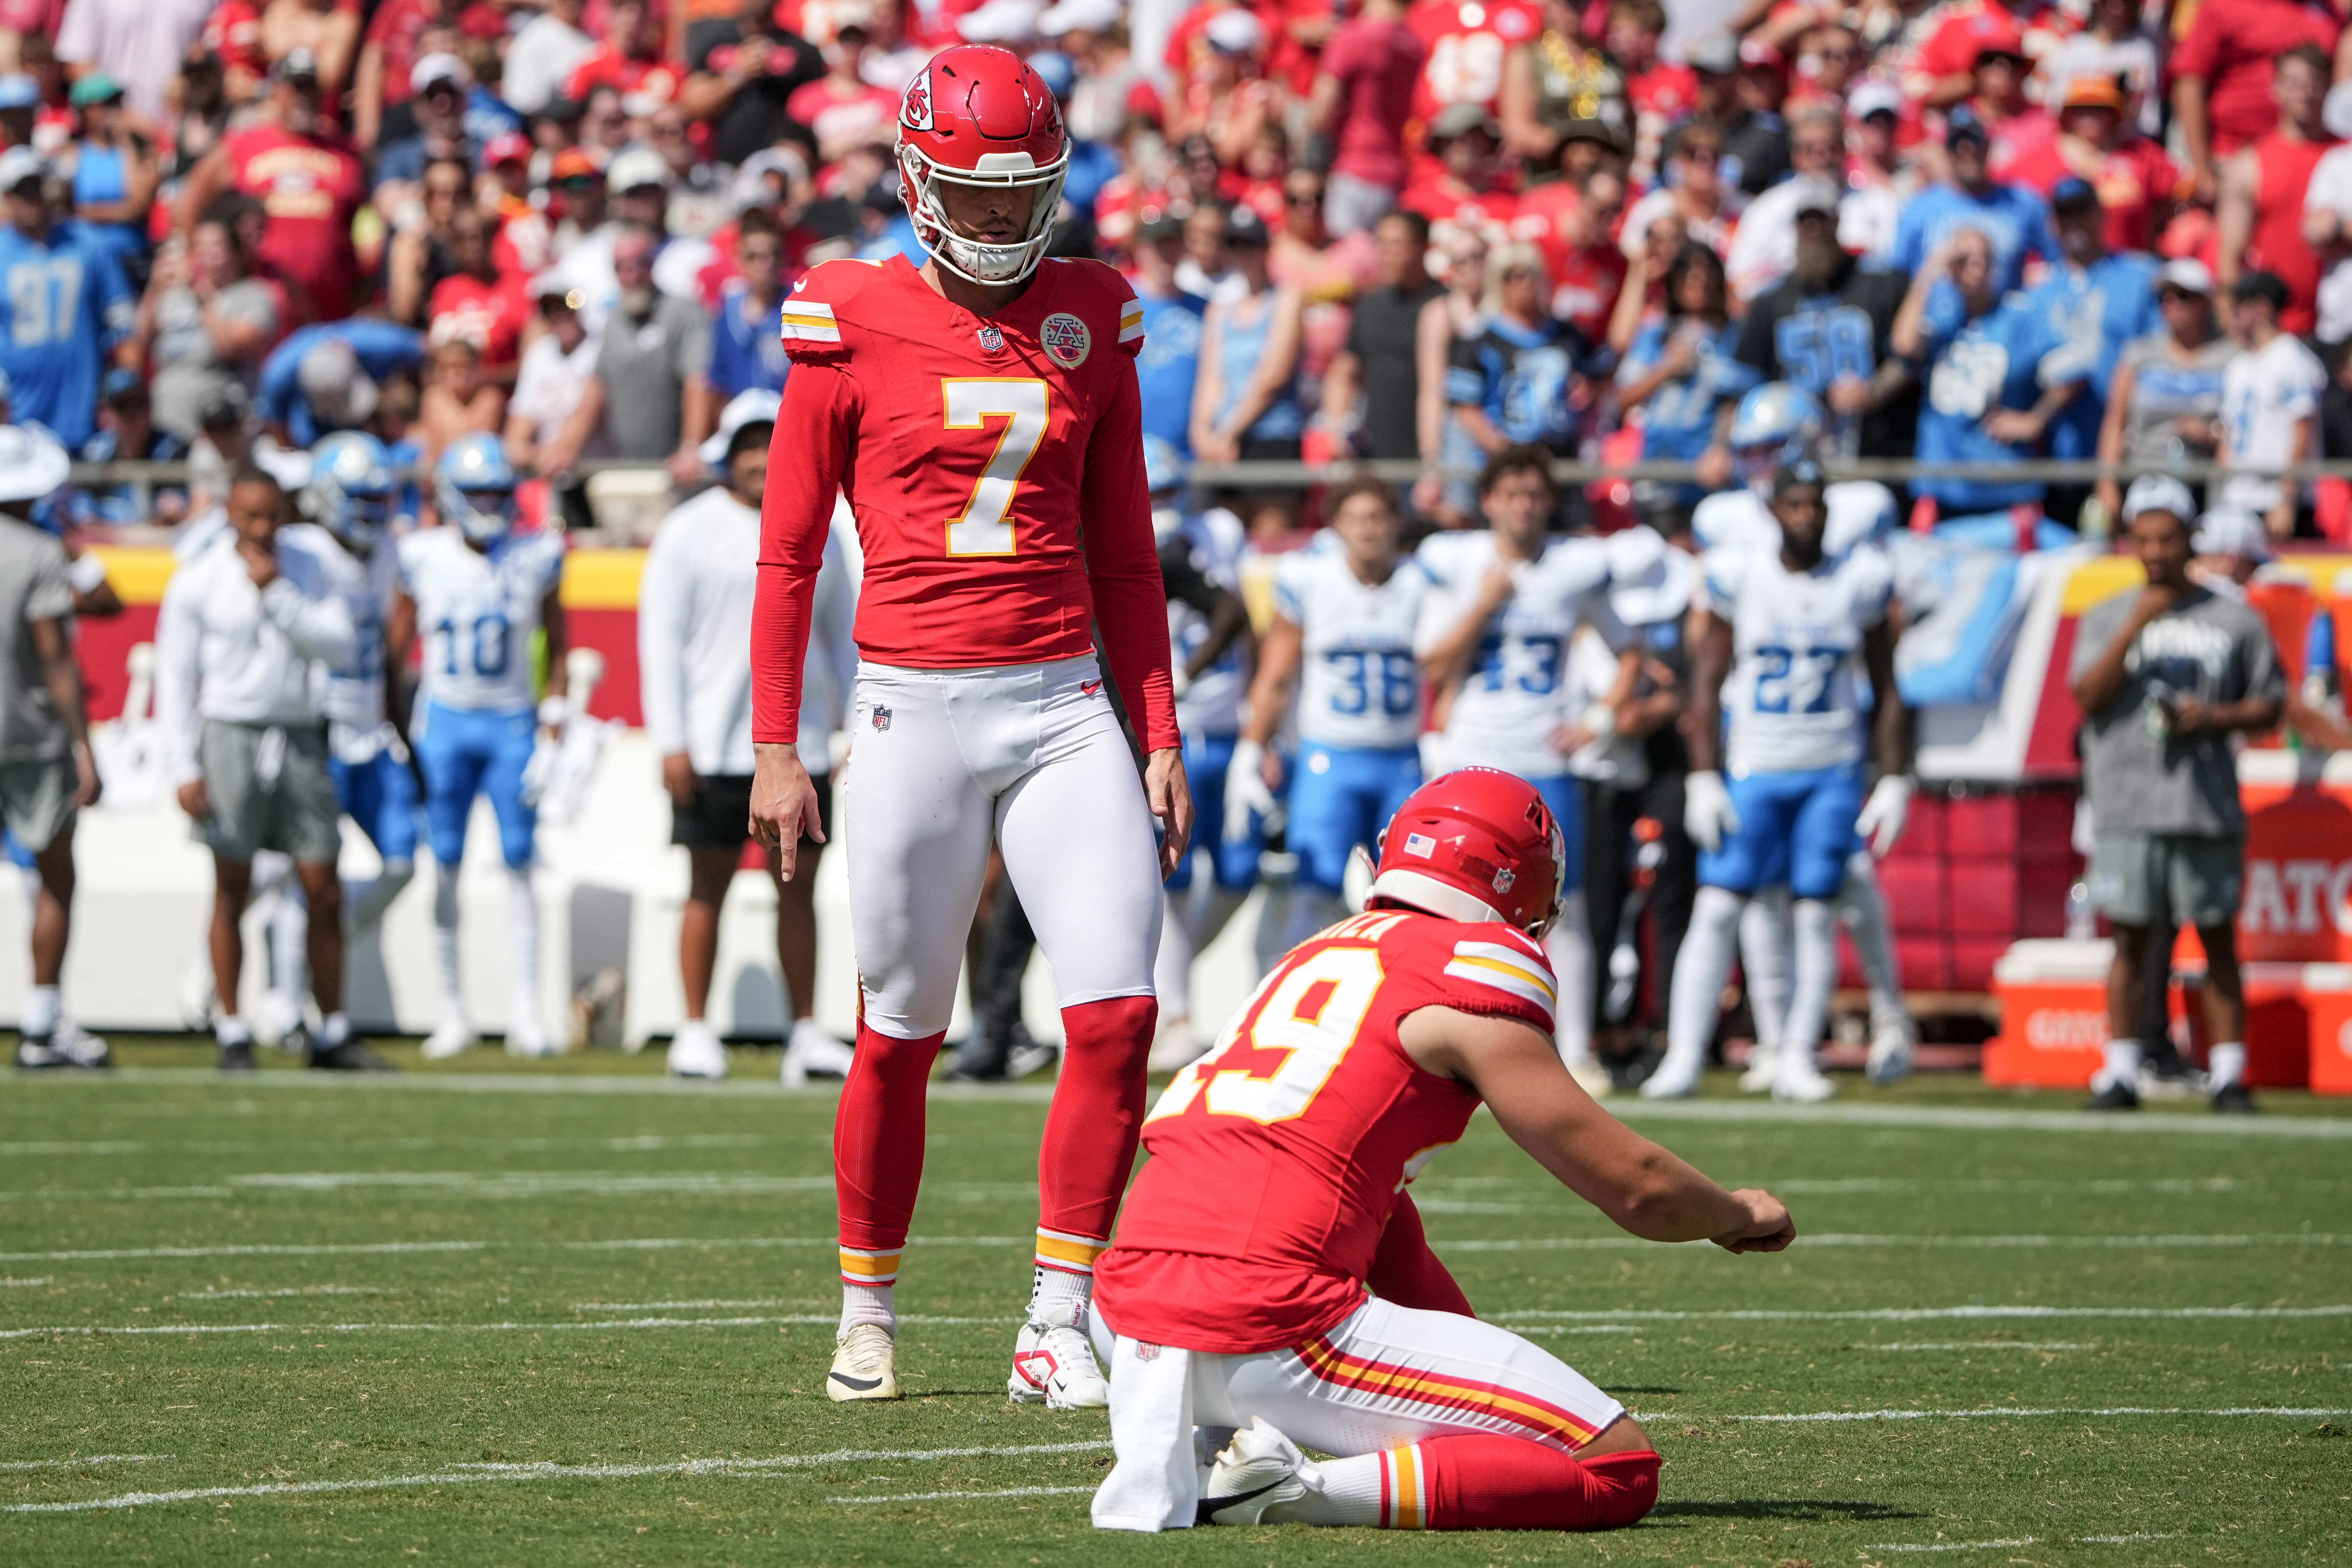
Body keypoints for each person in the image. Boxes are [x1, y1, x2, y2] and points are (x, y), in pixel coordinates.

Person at [746, 47, 1188, 1411]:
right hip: (908, 705)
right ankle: (866, 1300)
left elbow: (1123, 549)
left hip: (1061, 706)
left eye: (1021, 200)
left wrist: (1156, 720)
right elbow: (787, 550)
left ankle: (1056, 1315)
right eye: (974, 200)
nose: (1001, 224)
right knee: (899, 1026)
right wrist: (777, 739)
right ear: (916, 180)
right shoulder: (846, 308)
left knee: (1117, 1011)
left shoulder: (1094, 309)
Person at [1089, 768, 1795, 1534]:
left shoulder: (1311, 957)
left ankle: (1237, 1454)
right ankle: (1291, 1491)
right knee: (1615, 1468)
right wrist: (1734, 1210)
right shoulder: (1470, 969)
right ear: (1523, 882)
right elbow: (1637, 1187)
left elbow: (1388, 1224)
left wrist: (1471, 1358)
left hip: (1127, 1320)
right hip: (1266, 1320)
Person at [1644, 460, 1913, 1102]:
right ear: (1772, 511)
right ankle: (1681, 1053)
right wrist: (1704, 775)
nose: (1805, 516)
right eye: (1792, 505)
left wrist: (1894, 777)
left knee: (1815, 916)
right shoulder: (1744, 576)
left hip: (1828, 770)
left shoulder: (1860, 578)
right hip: (1755, 767)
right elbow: (1706, 682)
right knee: (1716, 908)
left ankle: (1795, 1053)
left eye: (1814, 504)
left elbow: (1887, 684)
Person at [639, 390, 857, 1085]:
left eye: (773, 443)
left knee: (800, 887)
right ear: (727, 458)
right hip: (712, 746)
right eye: (748, 447)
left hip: (802, 747)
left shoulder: (824, 525)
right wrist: (671, 740)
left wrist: (851, 727)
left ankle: (804, 1031)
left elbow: (845, 635)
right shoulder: (688, 529)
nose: (762, 459)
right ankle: (696, 1028)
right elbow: (661, 642)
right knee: (706, 884)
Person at [156, 466, 387, 1073]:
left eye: (272, 515)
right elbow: (176, 679)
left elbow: (338, 646)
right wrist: (182, 763)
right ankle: (233, 1027)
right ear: (229, 512)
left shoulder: (311, 567)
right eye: (251, 515)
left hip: (301, 730)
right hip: (230, 732)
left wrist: (279, 593)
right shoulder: (199, 579)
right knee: (231, 883)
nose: (262, 528)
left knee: (322, 884)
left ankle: (331, 1028)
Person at [1415, 444, 1631, 1092]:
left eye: (1534, 494)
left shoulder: (1575, 568)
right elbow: (1432, 662)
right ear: (1488, 502)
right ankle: (1451, 1047)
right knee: (1452, 906)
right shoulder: (1456, 563)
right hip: (1472, 759)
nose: (1523, 505)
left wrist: (1602, 719)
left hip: (1546, 763)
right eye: (1511, 493)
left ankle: (1575, 1048)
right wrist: (1484, 602)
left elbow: (1629, 649)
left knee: (1569, 910)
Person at [2070, 476, 2284, 1114]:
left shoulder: (2234, 618)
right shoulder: (2108, 612)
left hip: (2203, 802)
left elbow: (2270, 705)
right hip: (2128, 801)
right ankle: (2122, 1070)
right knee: (2129, 940)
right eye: (2143, 539)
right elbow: (2086, 696)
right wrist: (2137, 621)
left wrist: (2212, 718)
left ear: (2190, 537)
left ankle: (2228, 1073)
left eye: (2166, 538)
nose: (2156, 552)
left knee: (2216, 938)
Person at [389, 435, 568, 1060]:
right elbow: (395, 649)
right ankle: (453, 1011)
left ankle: (525, 1011)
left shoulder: (535, 553)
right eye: (479, 492)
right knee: (444, 863)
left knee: (520, 862)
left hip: (511, 723)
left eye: (498, 490)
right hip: (443, 723)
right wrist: (394, 725)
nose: (490, 502)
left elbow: (559, 638)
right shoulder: (422, 555)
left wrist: (556, 713)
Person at [1230, 475, 1428, 952]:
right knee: (1312, 895)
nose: (1367, 530)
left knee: (1408, 905)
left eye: (1377, 518)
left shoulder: (1422, 582)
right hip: (1329, 758)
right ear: (1335, 525)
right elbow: (1276, 676)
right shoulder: (1311, 580)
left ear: (1395, 524)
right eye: (1355, 519)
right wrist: (1252, 747)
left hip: (1401, 758)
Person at [1146, 438, 1255, 1073]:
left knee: (1240, 871)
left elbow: (1240, 615)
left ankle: (1176, 981)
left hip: (1227, 721)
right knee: (1175, 874)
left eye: (1168, 494)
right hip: (1171, 732)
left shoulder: (1216, 535)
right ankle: (1178, 1016)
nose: (1161, 507)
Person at [1, 426, 105, 1069]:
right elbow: (55, 657)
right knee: (56, 873)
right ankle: (41, 1020)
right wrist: (84, 743)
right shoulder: (40, 551)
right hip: (31, 737)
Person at [302, 432, 414, 976]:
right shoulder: (303, 551)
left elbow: (391, 654)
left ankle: (319, 955)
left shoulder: (389, 552)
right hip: (314, 729)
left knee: (401, 860)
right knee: (284, 875)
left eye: (379, 499)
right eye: (360, 499)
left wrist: (402, 728)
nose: (373, 513)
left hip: (369, 732)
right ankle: (266, 988)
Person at [1890, 226, 2073, 522]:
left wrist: (2034, 421)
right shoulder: (1941, 316)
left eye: (1983, 259)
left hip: (2006, 488)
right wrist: (1931, 271)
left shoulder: (2018, 316)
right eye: (1964, 260)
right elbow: (1904, 344)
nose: (1974, 269)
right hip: (1944, 486)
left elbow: (2072, 370)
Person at [1729, 178, 1913, 464]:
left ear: (1837, 223)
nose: (1814, 230)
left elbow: (1911, 358)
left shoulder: (1882, 287)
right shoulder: (1771, 302)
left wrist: (1873, 392)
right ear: (1795, 228)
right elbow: (1744, 381)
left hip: (1871, 447)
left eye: (1822, 221)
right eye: (1806, 222)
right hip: (1794, 455)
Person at [176, 51, 365, 326]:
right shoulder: (243, 145)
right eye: (295, 88)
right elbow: (190, 202)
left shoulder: (346, 152)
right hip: (261, 312)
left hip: (331, 310)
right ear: (277, 92)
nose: (304, 97)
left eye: (311, 88)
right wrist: (200, 264)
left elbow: (365, 223)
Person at [0, 146, 132, 452]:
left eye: (37, 186)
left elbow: (123, 327)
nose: (32, 198)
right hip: (17, 418)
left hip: (83, 415)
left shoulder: (88, 243)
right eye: (22, 191)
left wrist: (122, 398)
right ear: (7, 197)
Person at [1616, 242, 1753, 526]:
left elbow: (1740, 399)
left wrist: (1722, 448)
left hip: (1712, 475)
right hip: (1657, 474)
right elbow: (1619, 400)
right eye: (1689, 274)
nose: (1698, 282)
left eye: (1707, 274)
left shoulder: (1736, 337)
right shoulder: (1655, 333)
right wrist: (1665, 369)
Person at [2095, 260, 2234, 525]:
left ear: (2205, 302)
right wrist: (2106, 484)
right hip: (2144, 478)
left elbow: (2242, 425)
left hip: (2206, 485)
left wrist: (2212, 434)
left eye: (2182, 296)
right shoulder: (2139, 355)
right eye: (2164, 297)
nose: (2171, 304)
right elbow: (2115, 423)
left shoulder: (2229, 358)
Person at [2172, 0, 2343, 208]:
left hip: (2309, 164)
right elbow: (2190, 81)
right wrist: (2203, 169)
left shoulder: (2330, 14)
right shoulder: (2224, 7)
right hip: (2230, 160)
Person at [2215, 44, 2334, 340]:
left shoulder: (2343, 157)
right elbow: (2229, 256)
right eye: (2294, 83)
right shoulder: (2251, 163)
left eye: (2314, 83)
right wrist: (2234, 323)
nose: (2304, 93)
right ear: (2275, 89)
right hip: (2275, 329)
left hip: (2339, 325)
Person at [1889, 107, 2057, 300]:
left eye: (1975, 139)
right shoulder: (1919, 208)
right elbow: (1897, 276)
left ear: (1989, 146)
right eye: (1956, 142)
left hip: (2000, 324)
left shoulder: (2023, 203)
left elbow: (2059, 262)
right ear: (1946, 151)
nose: (1966, 150)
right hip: (1933, 327)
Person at [1320, 208, 1443, 463]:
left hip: (1431, 455)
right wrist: (1337, 429)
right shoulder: (1370, 307)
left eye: (1397, 245)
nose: (1387, 255)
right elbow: (1345, 369)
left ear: (1423, 247)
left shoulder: (1444, 306)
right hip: (1375, 453)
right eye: (1382, 245)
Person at [1190, 203, 1305, 466]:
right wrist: (1201, 434)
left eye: (1250, 245)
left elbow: (1273, 377)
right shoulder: (1219, 311)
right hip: (1223, 443)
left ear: (1266, 248)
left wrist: (1227, 433)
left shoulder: (1287, 299)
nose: (1242, 254)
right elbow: (1210, 379)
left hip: (1272, 436)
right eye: (1234, 245)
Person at [2219, 269, 2328, 538]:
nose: (2231, 316)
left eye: (2238, 308)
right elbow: (2228, 434)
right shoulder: (2239, 364)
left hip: (2275, 500)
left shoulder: (2294, 360)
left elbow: (2302, 432)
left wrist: (2286, 499)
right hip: (2238, 497)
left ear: (2263, 308)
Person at [1306, 0, 1421, 236]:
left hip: (1354, 169)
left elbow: (1320, 114)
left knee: (1348, 265)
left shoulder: (1353, 36)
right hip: (1397, 173)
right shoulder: (1414, 44)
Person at [1126, 210, 1208, 457]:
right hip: (1128, 452)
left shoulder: (1205, 309)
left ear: (1184, 249)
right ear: (1141, 249)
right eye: (1157, 247)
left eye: (1172, 246)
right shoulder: (1117, 303)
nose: (1165, 256)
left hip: (1188, 455)